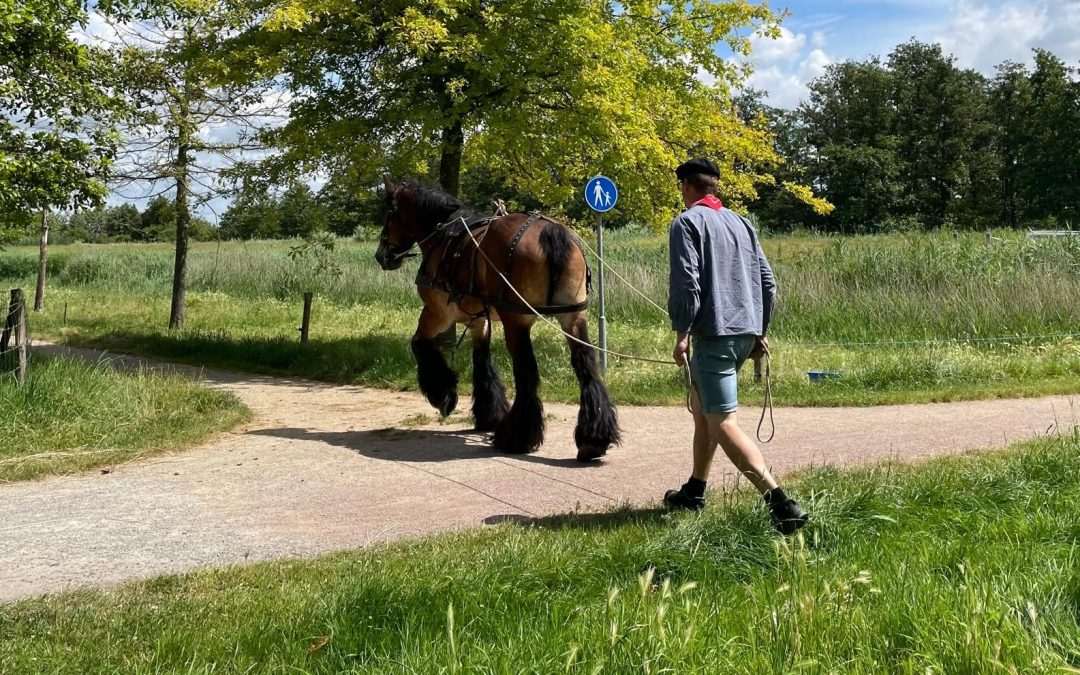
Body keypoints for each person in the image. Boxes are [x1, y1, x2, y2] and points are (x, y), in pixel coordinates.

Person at [663, 158, 809, 535]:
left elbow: (687, 285)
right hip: (745, 334)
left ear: (685, 187)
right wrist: (760, 330)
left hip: (713, 336)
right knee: (704, 412)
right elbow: (768, 282)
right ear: (714, 188)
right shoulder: (742, 222)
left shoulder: (687, 223)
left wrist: (681, 333)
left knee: (723, 421)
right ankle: (695, 490)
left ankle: (780, 502)